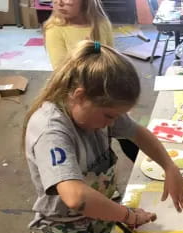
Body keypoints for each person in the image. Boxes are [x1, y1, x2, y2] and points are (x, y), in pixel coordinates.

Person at [24, 41, 183, 233]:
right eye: (109, 116)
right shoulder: (51, 130)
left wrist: (169, 166)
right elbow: (77, 198)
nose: (111, 123)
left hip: (103, 216)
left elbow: (137, 132)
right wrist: (129, 215)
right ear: (79, 95)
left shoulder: (95, 109)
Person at [44, 0, 139, 162]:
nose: (59, 3)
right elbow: (62, 72)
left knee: (122, 136)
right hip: (76, 98)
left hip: (105, 93)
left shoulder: (101, 24)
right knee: (84, 147)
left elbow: (111, 62)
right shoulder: (54, 29)